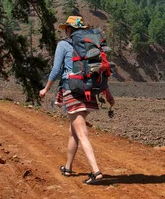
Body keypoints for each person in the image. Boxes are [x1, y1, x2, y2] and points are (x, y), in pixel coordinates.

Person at [39, 16, 115, 184]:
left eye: (66, 28)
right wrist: (107, 94)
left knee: (81, 133)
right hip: (89, 91)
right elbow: (98, 70)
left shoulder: (63, 45)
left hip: (72, 90)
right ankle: (67, 167)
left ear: (69, 30)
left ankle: (96, 171)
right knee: (73, 131)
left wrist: (46, 89)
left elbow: (56, 69)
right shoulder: (90, 47)